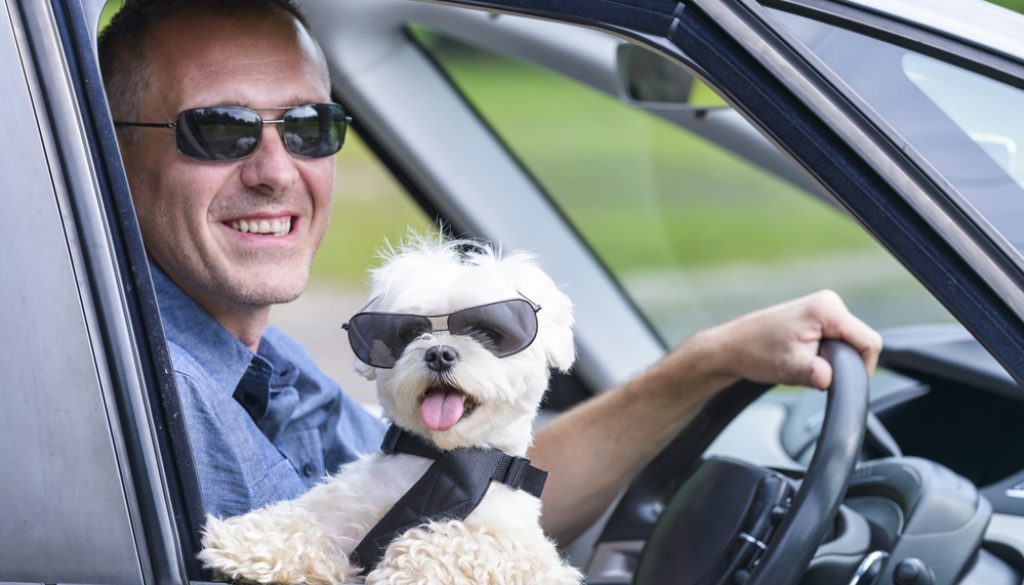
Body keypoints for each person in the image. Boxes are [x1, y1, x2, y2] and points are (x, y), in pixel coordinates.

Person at [98, 0, 882, 544]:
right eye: (222, 130)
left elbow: (467, 498)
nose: (276, 170)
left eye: (308, 126)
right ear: (110, 152)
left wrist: (712, 361)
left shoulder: (262, 364)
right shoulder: (149, 395)